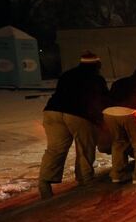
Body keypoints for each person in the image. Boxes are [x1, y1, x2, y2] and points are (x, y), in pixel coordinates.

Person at [38, 51, 109, 199]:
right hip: (78, 115)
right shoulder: (96, 79)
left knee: (55, 149)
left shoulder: (67, 75)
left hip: (52, 112)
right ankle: (85, 181)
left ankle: (44, 183)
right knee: (84, 148)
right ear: (97, 64)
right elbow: (102, 100)